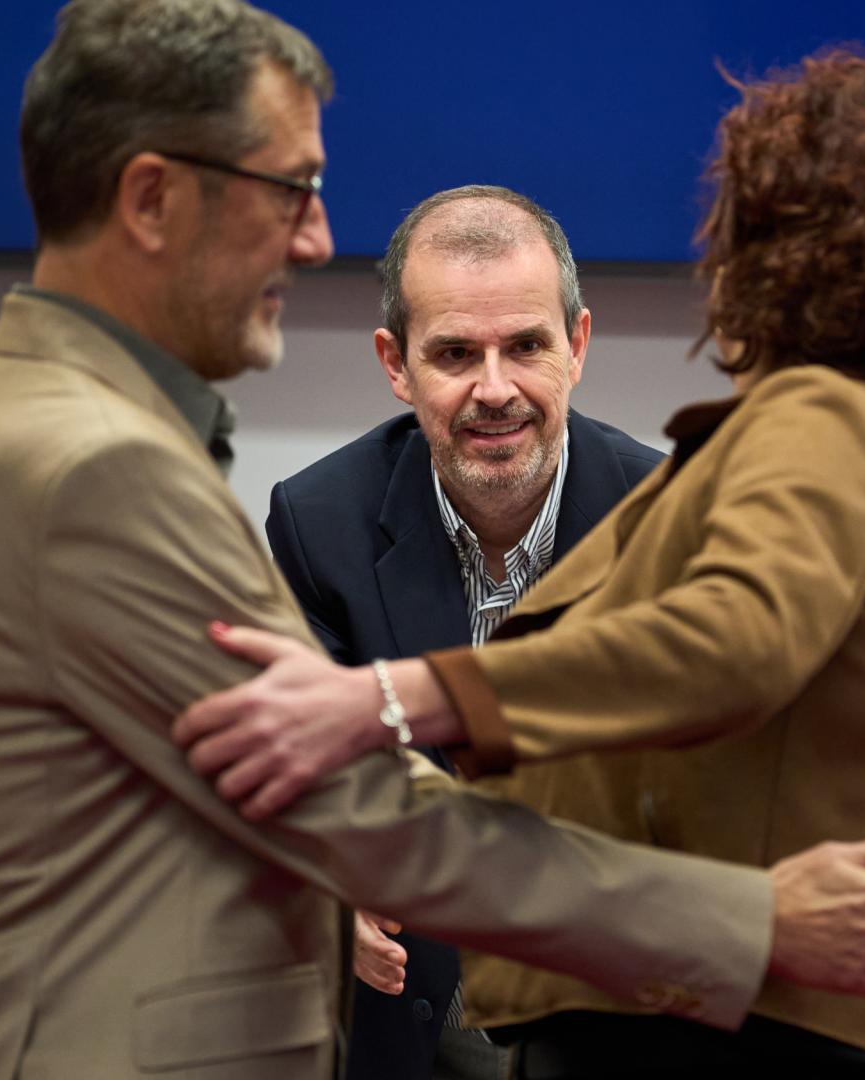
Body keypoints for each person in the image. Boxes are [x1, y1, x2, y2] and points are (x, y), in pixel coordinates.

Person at [0, 5, 865, 1077]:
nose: (316, 237)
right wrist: (751, 922)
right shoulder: (104, 465)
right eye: (291, 189)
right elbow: (363, 813)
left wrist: (390, 698)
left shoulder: (53, 430)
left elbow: (727, 645)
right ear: (152, 199)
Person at [175, 45, 865, 1079]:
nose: (495, 387)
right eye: (456, 353)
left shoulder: (825, 420)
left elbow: (729, 643)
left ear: (765, 249)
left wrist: (389, 700)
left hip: (737, 1032)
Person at [266, 185, 663, 1080]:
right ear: (396, 364)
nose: (494, 389)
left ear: (577, 346)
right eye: (454, 353)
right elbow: (297, 775)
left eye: (526, 345)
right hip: (413, 1024)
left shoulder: (669, 525)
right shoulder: (319, 524)